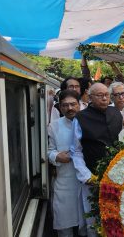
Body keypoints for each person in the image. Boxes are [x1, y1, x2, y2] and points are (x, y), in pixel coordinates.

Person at [70, 83, 122, 236]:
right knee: (93, 217)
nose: (105, 98)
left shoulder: (116, 113)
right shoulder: (81, 117)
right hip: (92, 176)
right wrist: (86, 175)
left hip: (116, 176)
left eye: (107, 94)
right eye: (100, 95)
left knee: (115, 216)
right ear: (90, 97)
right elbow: (76, 150)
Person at [48, 90, 82, 237]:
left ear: (79, 105)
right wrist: (57, 156)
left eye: (73, 104)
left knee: (86, 224)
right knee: (64, 225)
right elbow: (48, 151)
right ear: (60, 108)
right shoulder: (54, 126)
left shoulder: (87, 123)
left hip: (85, 183)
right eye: (65, 105)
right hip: (65, 182)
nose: (70, 108)